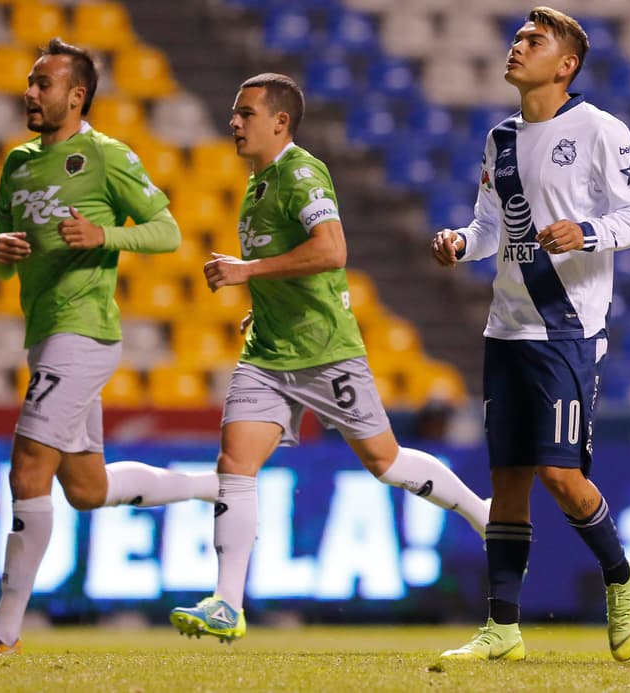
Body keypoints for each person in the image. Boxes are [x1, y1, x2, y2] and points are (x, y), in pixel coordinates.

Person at [168, 73, 490, 643]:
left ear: (280, 122)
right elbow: (289, 259)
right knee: (234, 464)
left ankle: (478, 512)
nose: (234, 122)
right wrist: (262, 302)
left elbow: (331, 249)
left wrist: (247, 274)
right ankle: (227, 602)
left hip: (324, 353)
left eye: (245, 113)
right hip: (268, 352)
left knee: (385, 463)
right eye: (233, 113)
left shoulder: (300, 171)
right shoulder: (259, 182)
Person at [0, 38, 218, 655]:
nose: (30, 93)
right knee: (86, 490)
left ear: (76, 95)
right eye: (30, 83)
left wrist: (106, 235)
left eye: (42, 84)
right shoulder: (18, 162)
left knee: (27, 468)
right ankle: (214, 487)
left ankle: (2, 633)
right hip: (44, 334)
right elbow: (2, 261)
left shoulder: (106, 155)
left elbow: (167, 230)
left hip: (84, 330)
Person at [429, 6, 630, 664]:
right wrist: (458, 243)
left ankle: (620, 575)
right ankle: (502, 626)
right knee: (507, 478)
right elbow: (487, 226)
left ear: (566, 65)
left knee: (561, 476)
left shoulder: (599, 130)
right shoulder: (499, 139)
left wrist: (588, 232)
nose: (517, 45)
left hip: (566, 327)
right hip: (505, 327)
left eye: (534, 40)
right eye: (516, 36)